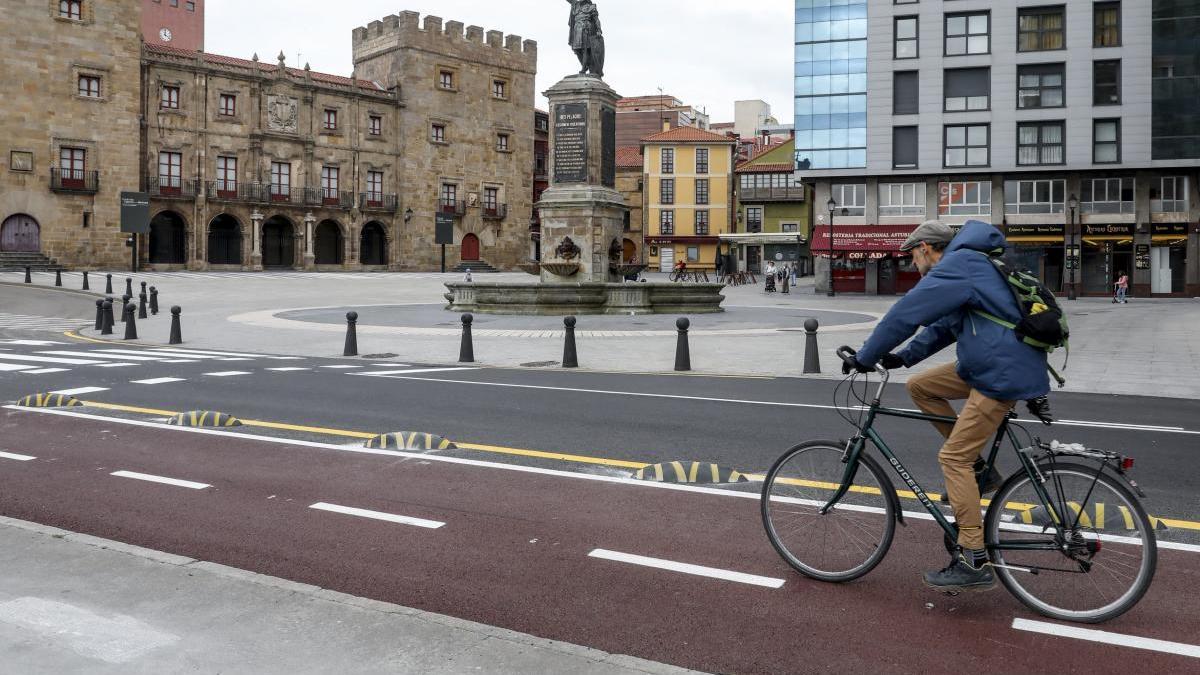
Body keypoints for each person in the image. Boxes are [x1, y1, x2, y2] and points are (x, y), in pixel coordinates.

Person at [842, 219, 1050, 592]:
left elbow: (908, 313)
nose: (912, 264)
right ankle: (982, 471)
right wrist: (901, 358)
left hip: (999, 373)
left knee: (953, 458)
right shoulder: (971, 265)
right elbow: (944, 327)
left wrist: (865, 356)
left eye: (912, 257)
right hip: (993, 363)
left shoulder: (959, 265)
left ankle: (973, 558)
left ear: (925, 248)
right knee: (922, 386)